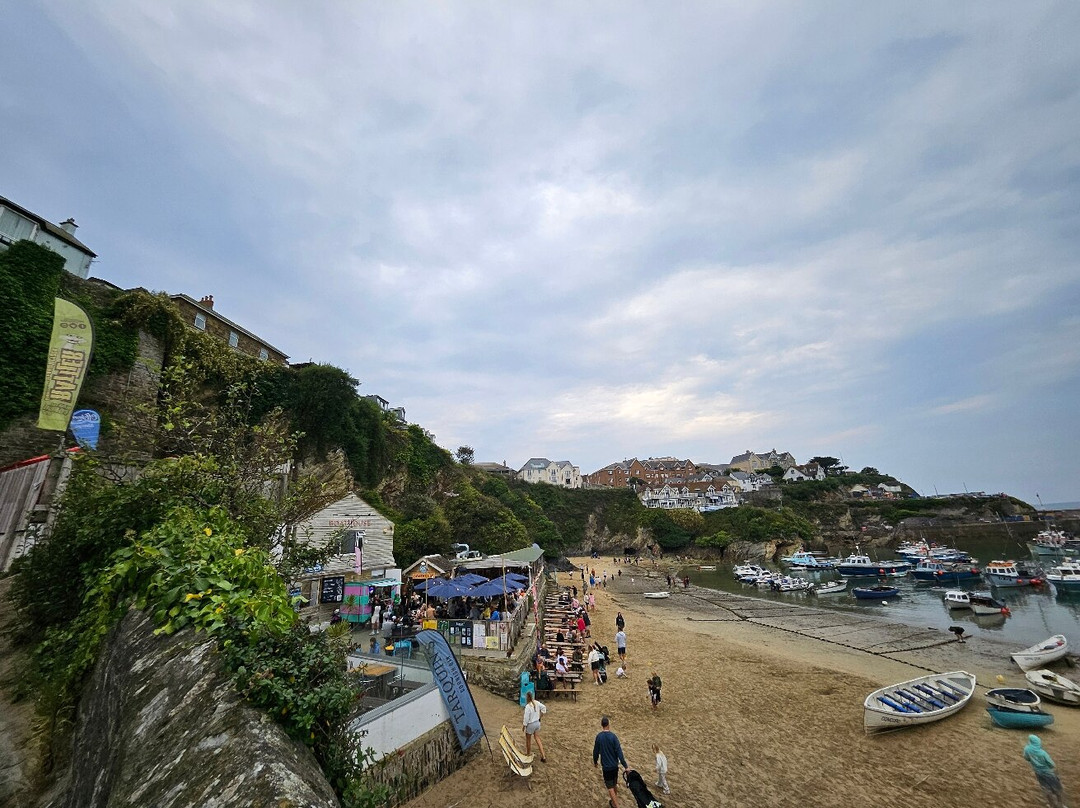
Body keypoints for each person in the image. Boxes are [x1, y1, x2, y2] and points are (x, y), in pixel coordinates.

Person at [593, 715, 628, 808]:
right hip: (614, 766)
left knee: (610, 787)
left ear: (602, 725)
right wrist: (626, 766)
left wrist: (595, 761)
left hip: (607, 767)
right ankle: (613, 802)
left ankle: (616, 805)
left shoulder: (599, 737)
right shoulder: (613, 737)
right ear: (608, 724)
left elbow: (595, 751)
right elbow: (619, 752)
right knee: (614, 784)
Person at [1024, 734, 1067, 808]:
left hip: (1038, 772)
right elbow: (1051, 764)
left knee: (1046, 788)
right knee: (1057, 787)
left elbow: (1026, 758)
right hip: (1048, 772)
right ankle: (1061, 804)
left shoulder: (1027, 749)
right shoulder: (1043, 753)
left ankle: (1051, 805)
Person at [522, 691, 547, 761]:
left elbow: (526, 718)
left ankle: (528, 754)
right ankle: (543, 755)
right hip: (537, 723)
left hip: (531, 724)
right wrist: (540, 716)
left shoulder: (528, 706)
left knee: (528, 740)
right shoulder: (536, 702)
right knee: (537, 738)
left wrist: (524, 726)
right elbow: (544, 708)